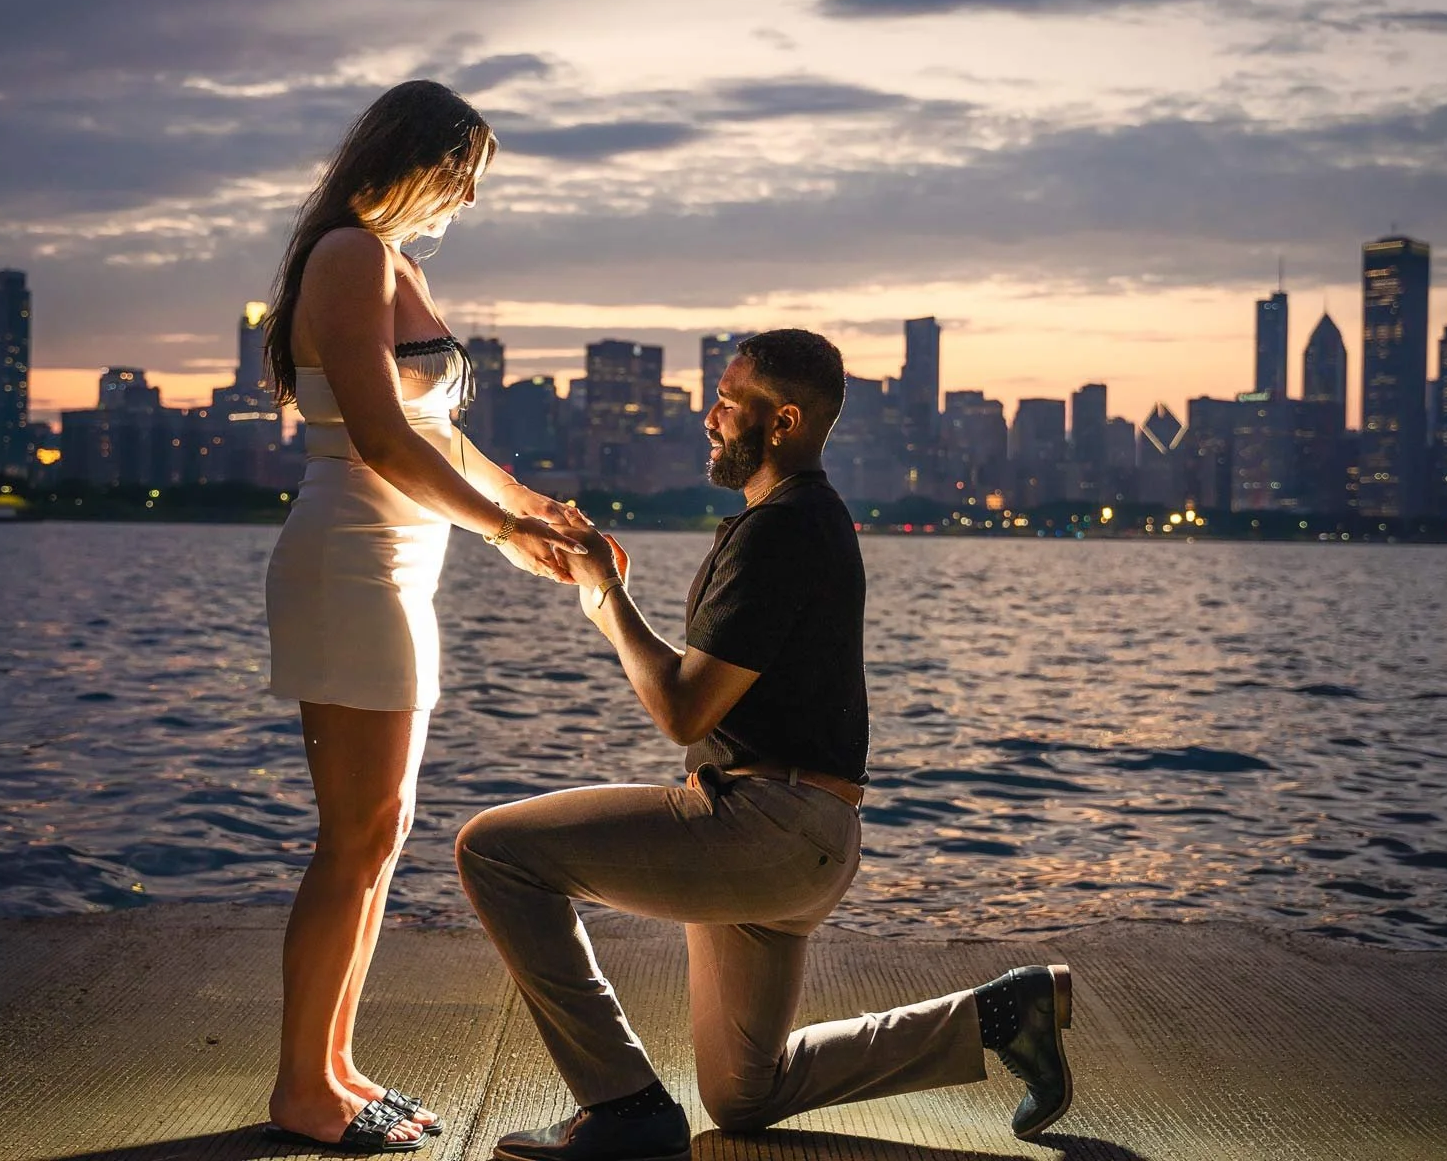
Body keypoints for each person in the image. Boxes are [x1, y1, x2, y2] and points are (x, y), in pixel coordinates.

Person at [456, 329, 1075, 1161]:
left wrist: (606, 595)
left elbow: (682, 710)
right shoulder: (799, 521)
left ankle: (623, 1104)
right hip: (803, 833)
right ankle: (1004, 1014)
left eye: (727, 403)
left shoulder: (782, 529)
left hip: (763, 825)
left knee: (494, 852)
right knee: (746, 1093)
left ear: (781, 422)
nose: (708, 418)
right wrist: (610, 594)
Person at [260, 79, 589, 1154]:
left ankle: (337, 1067)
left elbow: (433, 437)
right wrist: (503, 532)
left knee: (381, 832)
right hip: (349, 561)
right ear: (418, 154)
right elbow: (380, 439)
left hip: (397, 565)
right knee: (350, 836)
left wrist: (533, 506)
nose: (472, 197)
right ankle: (301, 1088)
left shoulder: (388, 263)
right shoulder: (348, 255)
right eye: (466, 172)